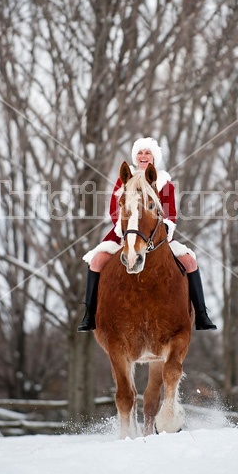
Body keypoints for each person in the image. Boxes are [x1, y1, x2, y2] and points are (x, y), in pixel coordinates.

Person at [78, 137, 217, 332]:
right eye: (140, 152)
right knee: (97, 261)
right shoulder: (125, 179)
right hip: (126, 233)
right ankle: (89, 315)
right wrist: (125, 230)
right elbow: (114, 209)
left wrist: (166, 228)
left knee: (190, 262)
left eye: (148, 152)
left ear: (154, 157)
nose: (143, 156)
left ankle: (201, 315)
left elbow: (170, 213)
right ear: (136, 157)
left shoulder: (165, 183)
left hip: (157, 235)